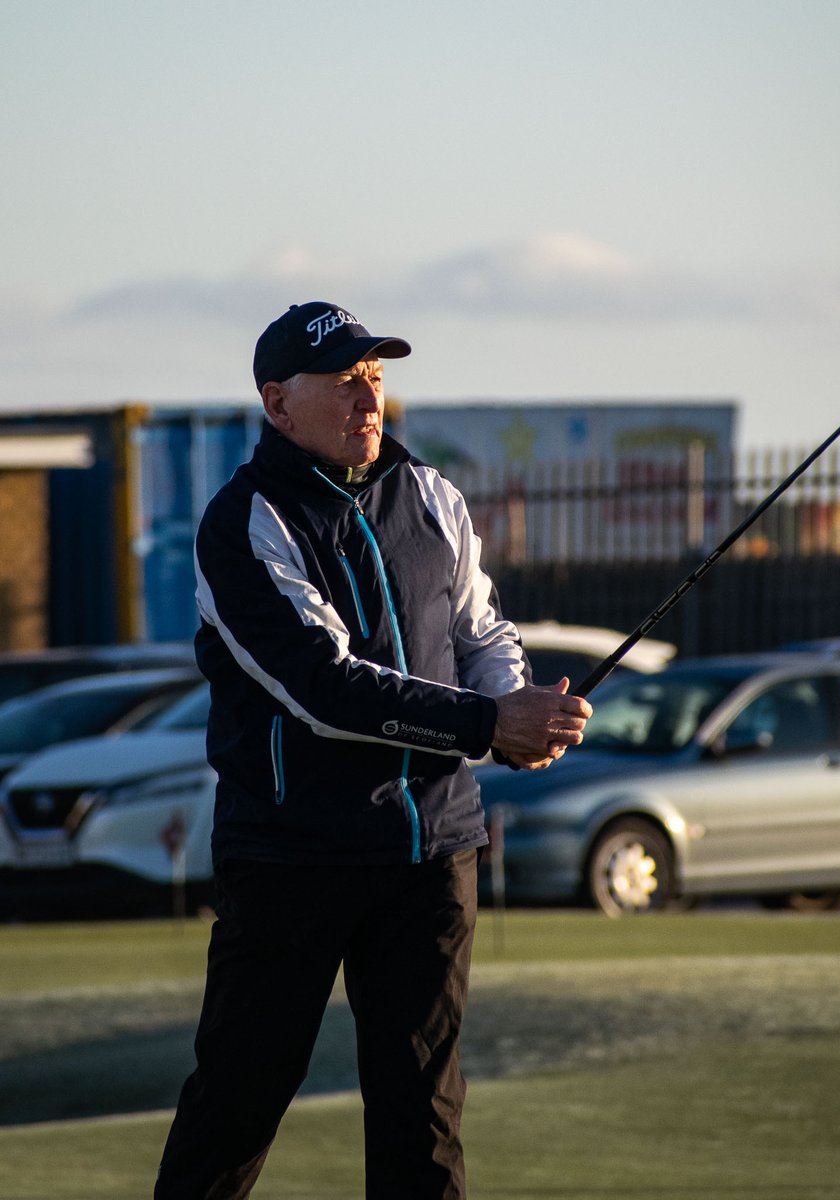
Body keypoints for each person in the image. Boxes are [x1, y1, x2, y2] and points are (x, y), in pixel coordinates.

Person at [154, 301, 592, 1199]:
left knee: (422, 1114)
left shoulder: (432, 494)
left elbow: (480, 628)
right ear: (277, 403)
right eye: (344, 379)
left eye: (377, 376)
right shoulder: (242, 523)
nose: (368, 396)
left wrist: (515, 702)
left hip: (432, 852)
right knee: (239, 1101)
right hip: (291, 858)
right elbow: (324, 687)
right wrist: (485, 726)